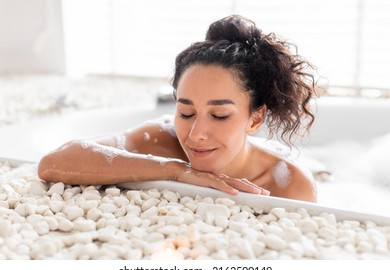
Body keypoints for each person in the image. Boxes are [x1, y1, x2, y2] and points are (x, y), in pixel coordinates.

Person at [38, 15, 318, 202]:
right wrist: (175, 170)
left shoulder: (289, 184)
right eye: (186, 113)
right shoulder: (160, 140)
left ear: (256, 119)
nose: (195, 134)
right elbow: (54, 162)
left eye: (219, 115)